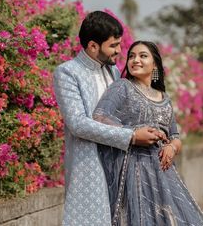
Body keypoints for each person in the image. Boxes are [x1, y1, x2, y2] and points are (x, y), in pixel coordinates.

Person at [53, 12, 166, 226]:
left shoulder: (114, 72)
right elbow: (77, 124)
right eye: (113, 45)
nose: (119, 51)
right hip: (90, 165)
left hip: (121, 165)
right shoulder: (68, 73)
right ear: (93, 46)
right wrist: (131, 136)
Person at [93, 40, 203, 226]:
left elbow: (175, 136)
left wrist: (172, 147)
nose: (135, 60)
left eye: (143, 56)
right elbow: (99, 117)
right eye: (131, 56)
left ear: (155, 64)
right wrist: (133, 133)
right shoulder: (122, 87)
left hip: (163, 174)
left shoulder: (164, 98)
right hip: (134, 169)